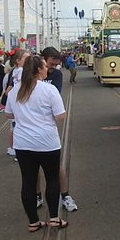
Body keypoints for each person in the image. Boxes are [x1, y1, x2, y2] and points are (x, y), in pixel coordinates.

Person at [4, 55, 68, 231]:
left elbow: (8, 114)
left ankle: (33, 222)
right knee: (52, 179)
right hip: (48, 142)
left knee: (28, 182)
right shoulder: (49, 89)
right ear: (39, 70)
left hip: (23, 143)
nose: (47, 69)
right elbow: (60, 116)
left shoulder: (15, 90)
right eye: (45, 66)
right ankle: (54, 219)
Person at [40, 47, 78, 212]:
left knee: (56, 166)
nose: (53, 68)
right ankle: (37, 196)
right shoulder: (26, 76)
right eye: (50, 64)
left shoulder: (56, 75)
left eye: (56, 65)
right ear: (42, 61)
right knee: (33, 170)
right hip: (28, 132)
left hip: (48, 126)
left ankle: (65, 195)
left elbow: (55, 97)